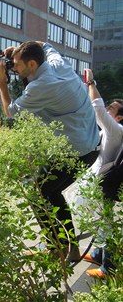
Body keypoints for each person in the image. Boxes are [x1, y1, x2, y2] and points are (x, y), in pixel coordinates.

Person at [0, 41, 100, 261]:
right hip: (88, 143)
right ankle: (65, 247)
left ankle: (58, 249)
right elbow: (44, 44)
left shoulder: (41, 86)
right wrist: (17, 50)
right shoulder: (55, 62)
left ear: (32, 63)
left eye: (17, 66)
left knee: (38, 190)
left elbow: (10, 112)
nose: (14, 69)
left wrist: (1, 83)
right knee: (49, 191)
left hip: (77, 150)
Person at [81, 68, 123, 278]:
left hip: (103, 182)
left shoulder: (116, 130)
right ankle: (98, 253)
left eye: (112, 108)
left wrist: (92, 84)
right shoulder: (112, 130)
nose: (107, 109)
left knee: (104, 222)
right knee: (99, 219)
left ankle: (109, 268)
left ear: (119, 116)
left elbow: (97, 108)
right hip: (101, 181)